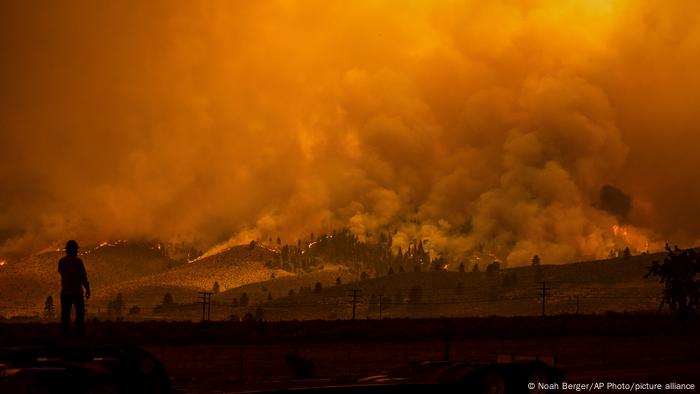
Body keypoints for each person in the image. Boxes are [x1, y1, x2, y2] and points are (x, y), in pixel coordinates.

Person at [58, 240, 90, 337]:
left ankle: (65, 336)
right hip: (77, 292)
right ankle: (79, 335)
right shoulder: (78, 262)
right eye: (76, 249)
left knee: (65, 316)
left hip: (65, 293)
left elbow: (61, 272)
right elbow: (83, 277)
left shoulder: (62, 262)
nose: (77, 251)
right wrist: (87, 289)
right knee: (80, 315)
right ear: (73, 250)